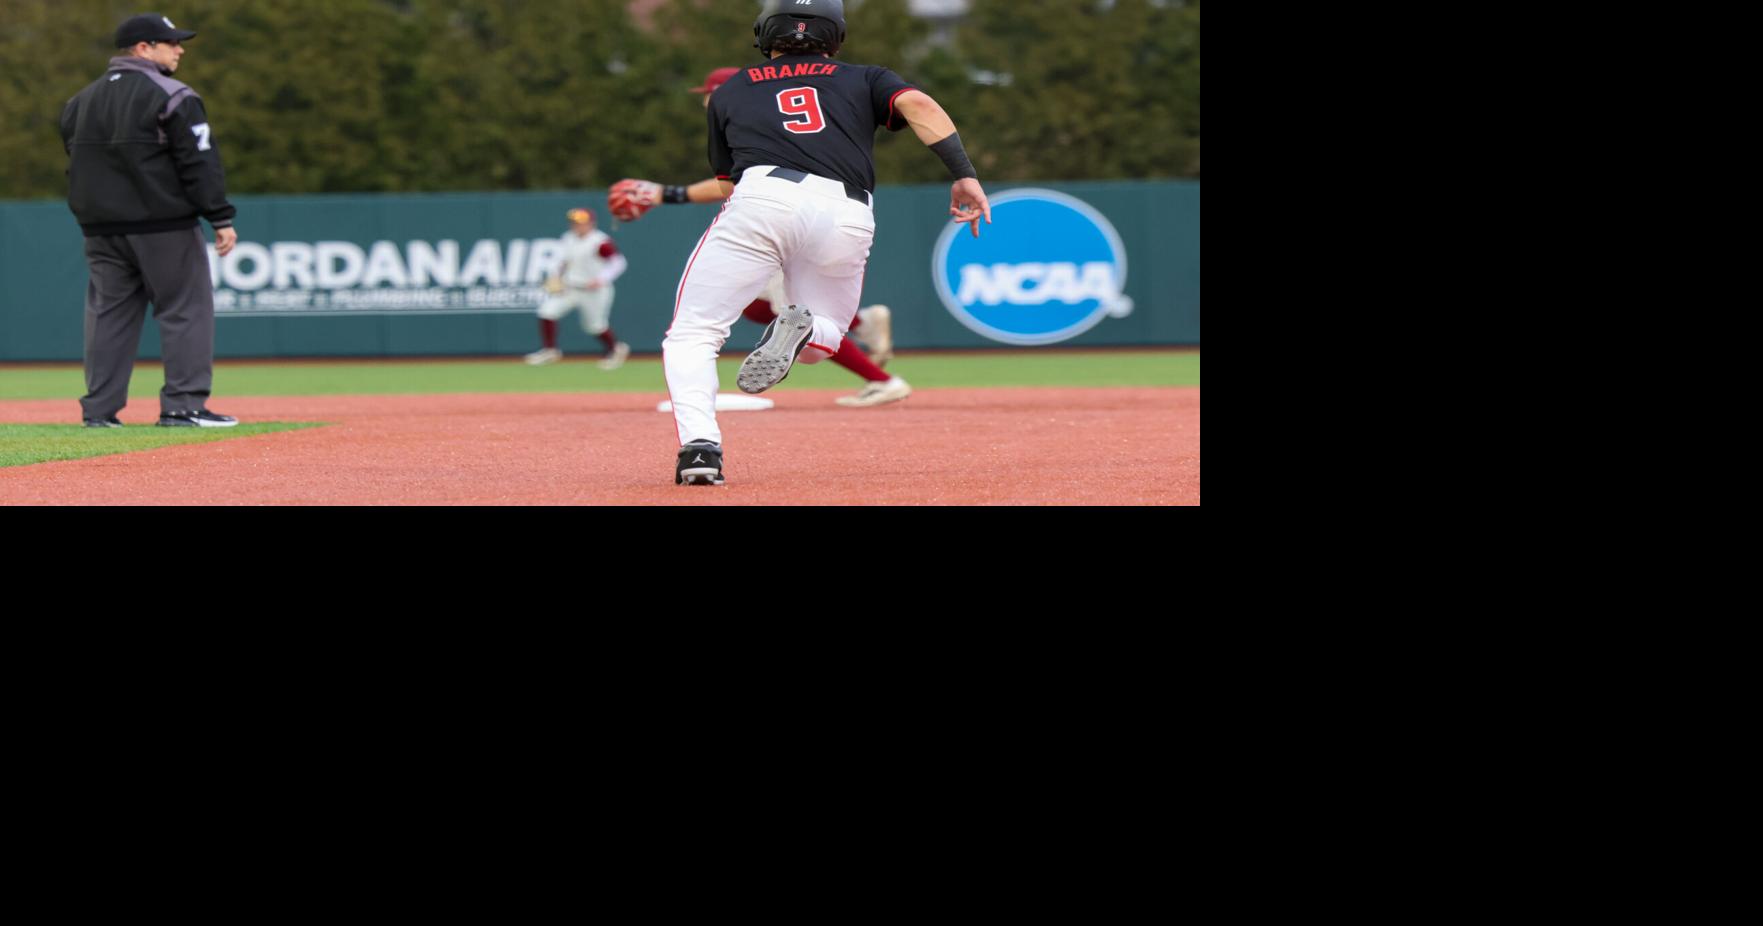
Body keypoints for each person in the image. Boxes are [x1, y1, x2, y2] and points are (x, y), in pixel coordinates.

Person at [657, 0, 989, 485]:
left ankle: (701, 452)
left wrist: (666, 195)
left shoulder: (732, 87)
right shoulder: (867, 77)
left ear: (765, 31)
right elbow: (919, 105)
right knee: (821, 341)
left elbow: (727, 181)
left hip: (764, 197)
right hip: (848, 210)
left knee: (694, 333)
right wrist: (964, 175)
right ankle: (804, 330)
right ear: (836, 34)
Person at [609, 66, 909, 409]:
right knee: (757, 308)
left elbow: (730, 184)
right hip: (826, 214)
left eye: (707, 92)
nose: (705, 100)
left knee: (796, 321)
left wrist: (665, 194)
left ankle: (883, 379)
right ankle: (863, 325)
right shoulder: (771, 109)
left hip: (785, 222)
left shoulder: (743, 113)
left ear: (721, 90)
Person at [61, 12, 238, 428]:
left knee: (109, 316)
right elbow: (199, 162)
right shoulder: (175, 95)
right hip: (163, 225)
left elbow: (76, 160)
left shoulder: (80, 101)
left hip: (100, 229)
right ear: (143, 48)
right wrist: (220, 216)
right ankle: (184, 406)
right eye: (170, 42)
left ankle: (99, 413)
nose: (179, 49)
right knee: (185, 310)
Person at [524, 208, 631, 370]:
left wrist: (601, 279)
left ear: (591, 224)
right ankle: (550, 350)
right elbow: (564, 261)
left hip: (594, 291)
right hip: (571, 287)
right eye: (574, 223)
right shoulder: (568, 238)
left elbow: (618, 262)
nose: (577, 226)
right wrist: (556, 279)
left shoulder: (599, 242)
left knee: (594, 326)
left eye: (581, 223)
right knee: (547, 311)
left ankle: (616, 348)